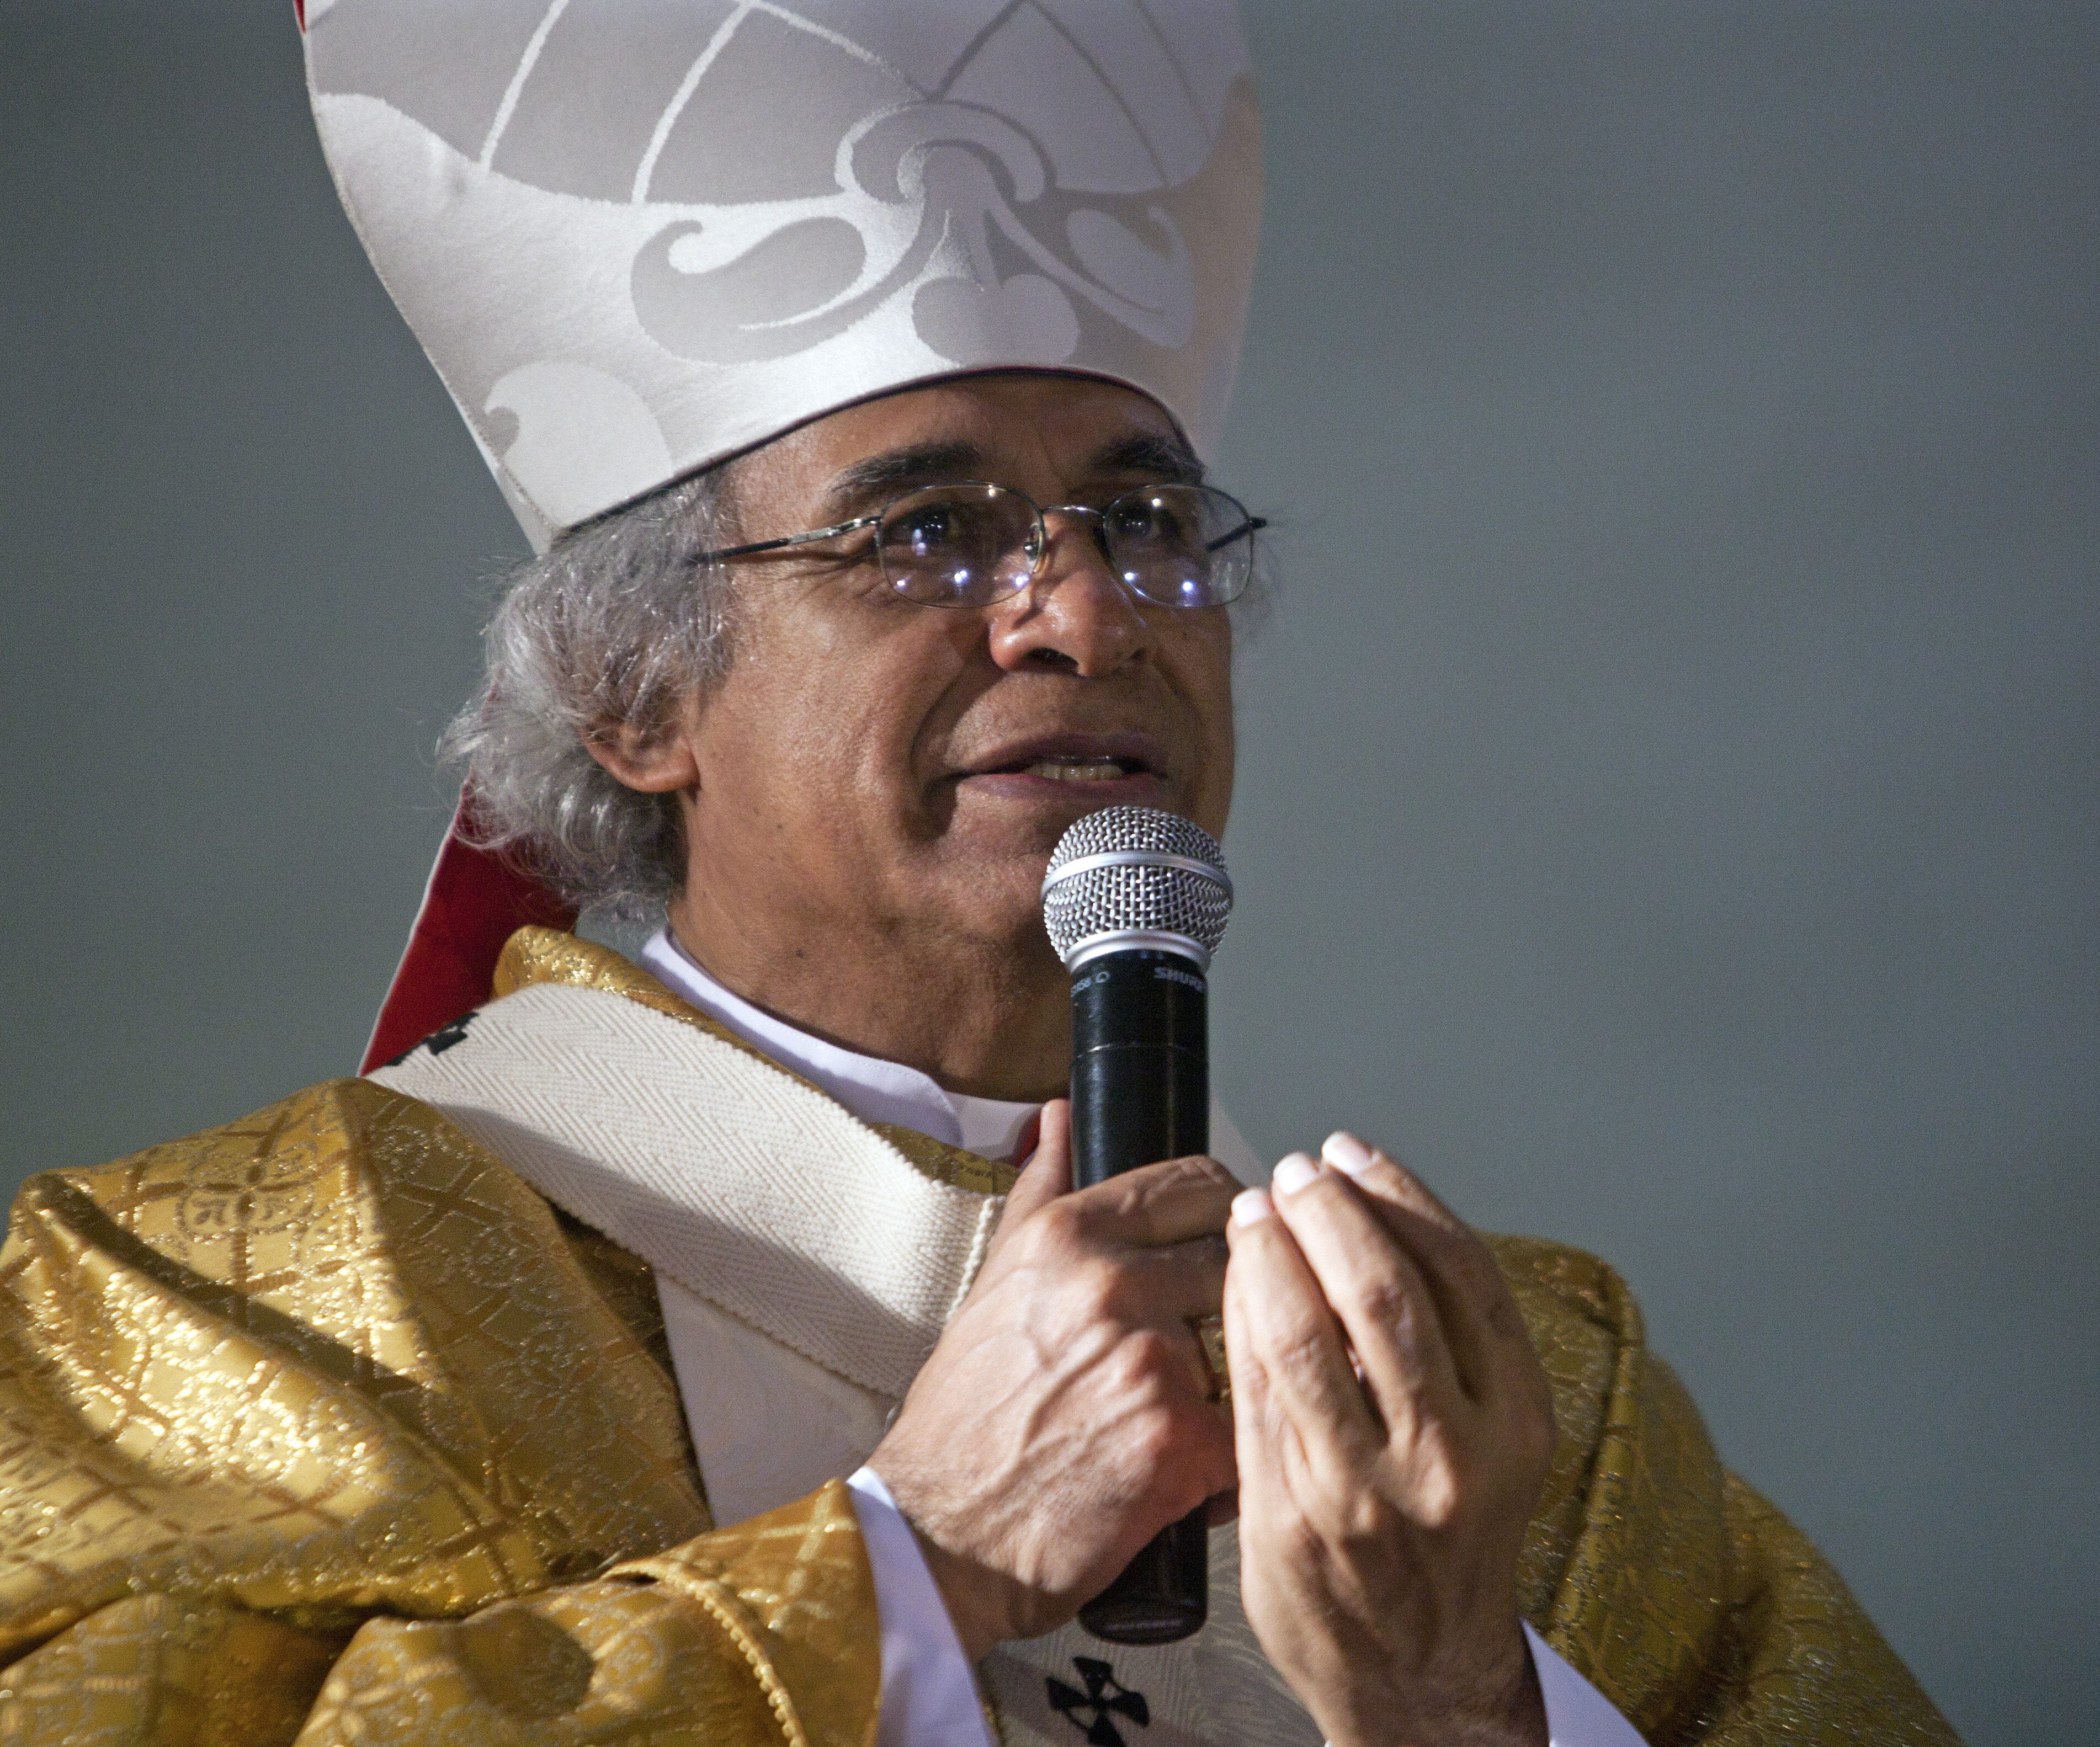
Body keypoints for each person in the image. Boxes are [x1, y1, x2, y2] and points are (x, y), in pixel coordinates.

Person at [0, 6, 1956, 1744]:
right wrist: (911, 1567)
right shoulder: (222, 1304)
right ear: (628, 693)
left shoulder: (1507, 1407)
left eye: (1149, 519)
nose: (1090, 611)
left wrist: (1458, 1715)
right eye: (926, 531)